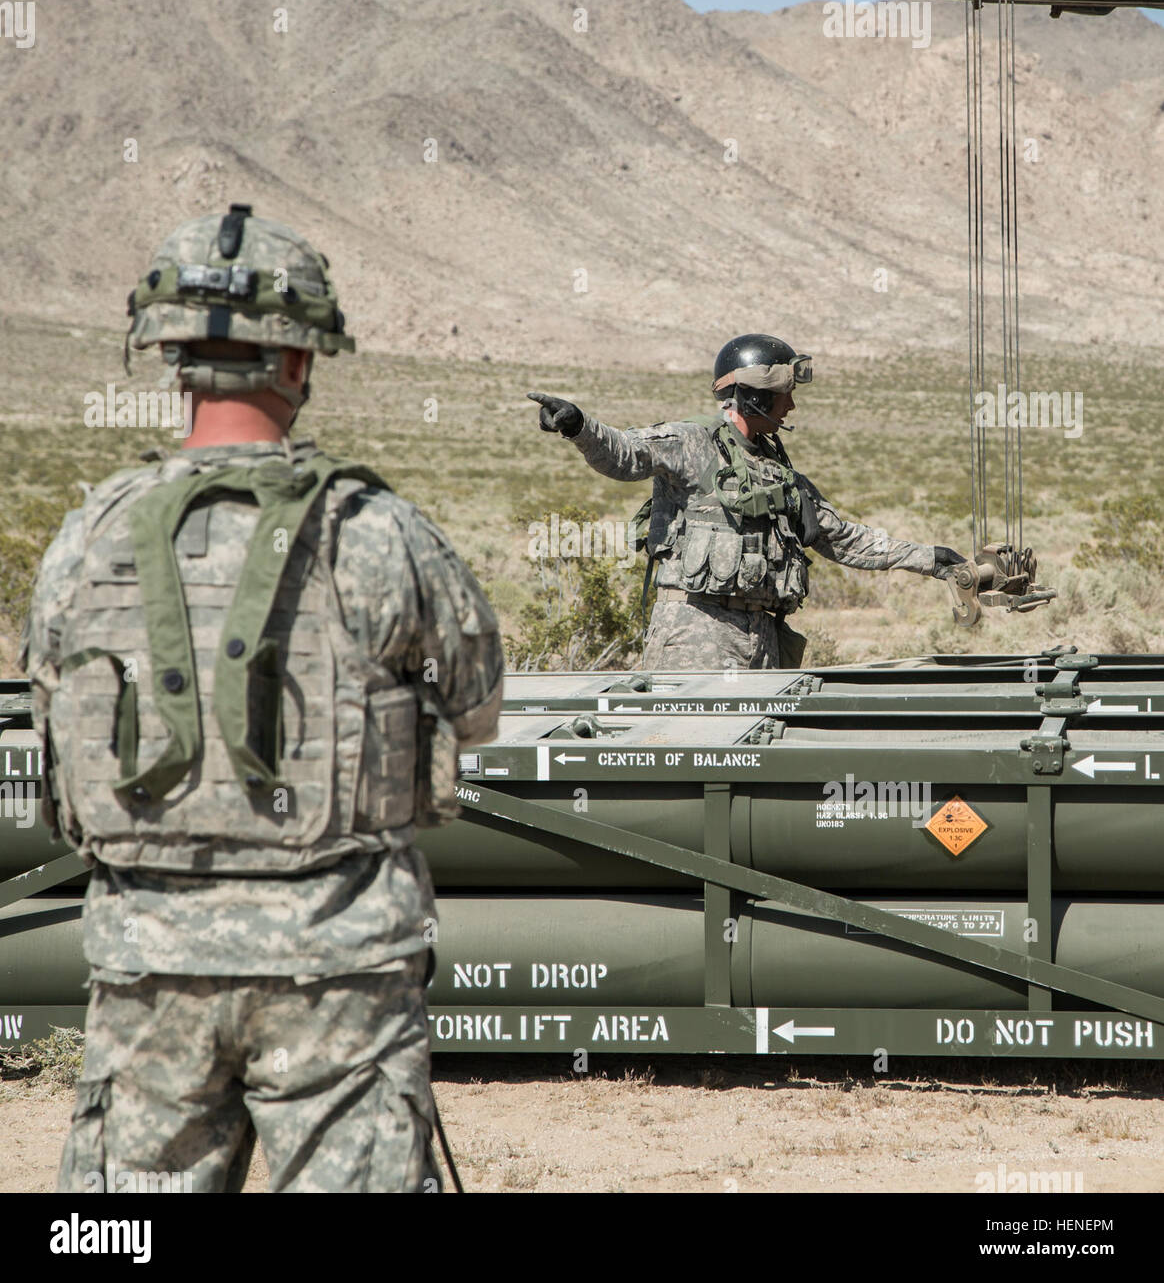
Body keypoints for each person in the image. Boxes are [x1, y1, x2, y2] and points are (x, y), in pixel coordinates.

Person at [21, 204, 503, 1193]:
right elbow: (478, 704)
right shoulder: (378, 533)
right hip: (341, 975)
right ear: (299, 360)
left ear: (173, 356)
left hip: (147, 970)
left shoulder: (85, 538)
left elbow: (57, 741)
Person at [528, 333, 964, 671]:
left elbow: (843, 538)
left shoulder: (778, 470)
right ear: (755, 394)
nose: (791, 405)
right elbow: (623, 454)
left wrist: (930, 559)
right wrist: (579, 426)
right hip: (697, 638)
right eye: (783, 394)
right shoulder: (690, 441)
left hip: (765, 640)